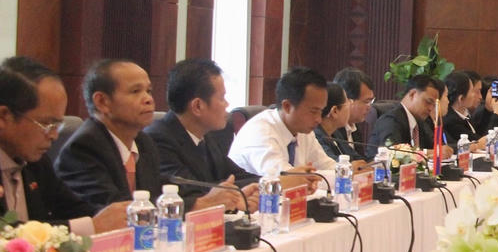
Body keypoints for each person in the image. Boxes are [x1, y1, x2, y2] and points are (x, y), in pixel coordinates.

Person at [56, 59, 240, 213]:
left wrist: (223, 197)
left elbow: (159, 195)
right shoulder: (84, 148)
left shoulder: (143, 142)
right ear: (102, 102)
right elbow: (117, 210)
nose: (148, 99)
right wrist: (200, 204)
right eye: (136, 91)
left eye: (148, 91)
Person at [0, 57, 127, 234]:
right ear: (4, 116)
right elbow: (4, 233)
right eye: (46, 124)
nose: (54, 135)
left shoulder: (36, 163)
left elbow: (73, 209)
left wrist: (115, 217)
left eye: (57, 125)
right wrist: (90, 226)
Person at [145, 59, 258, 212]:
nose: (227, 104)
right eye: (222, 98)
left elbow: (238, 176)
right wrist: (238, 194)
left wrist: (263, 184)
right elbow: (191, 193)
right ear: (197, 106)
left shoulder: (208, 135)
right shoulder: (158, 139)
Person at [228, 67, 339, 182]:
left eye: (321, 111)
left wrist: (345, 171)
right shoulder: (260, 132)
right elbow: (286, 180)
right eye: (313, 111)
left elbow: (326, 166)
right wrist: (311, 178)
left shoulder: (303, 130)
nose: (319, 119)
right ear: (287, 106)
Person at [369, 75, 442, 150]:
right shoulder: (391, 120)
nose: (431, 108)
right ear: (412, 94)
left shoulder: (420, 123)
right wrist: (428, 152)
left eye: (434, 105)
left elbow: (433, 147)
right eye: (428, 102)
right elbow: (393, 151)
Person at [331, 67, 374, 157]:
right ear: (347, 100)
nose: (369, 107)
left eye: (371, 101)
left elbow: (360, 160)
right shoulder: (332, 130)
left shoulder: (355, 127)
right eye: (366, 102)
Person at [314, 83, 361, 161]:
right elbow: (332, 164)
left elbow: (356, 159)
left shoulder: (335, 133)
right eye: (347, 102)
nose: (350, 105)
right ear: (335, 111)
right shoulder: (316, 137)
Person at [443, 71, 489, 149]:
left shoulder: (465, 115)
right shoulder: (451, 121)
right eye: (472, 91)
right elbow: (480, 141)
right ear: (461, 98)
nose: (480, 96)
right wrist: (497, 112)